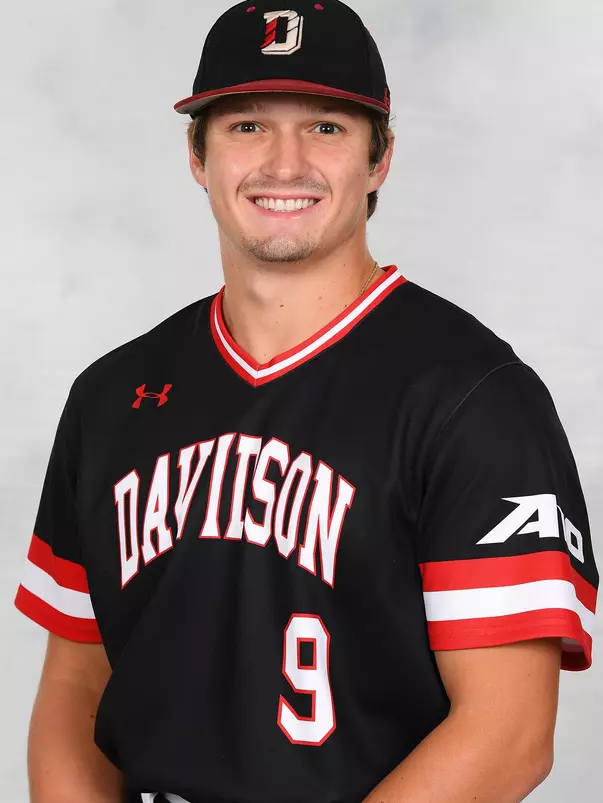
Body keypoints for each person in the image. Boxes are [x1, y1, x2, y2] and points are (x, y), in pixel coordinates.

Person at [15, 1, 599, 802]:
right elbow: (76, 683)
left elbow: (508, 732)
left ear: (380, 156)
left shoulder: (474, 397)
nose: (283, 164)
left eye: (325, 127)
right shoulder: (111, 396)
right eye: (246, 125)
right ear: (197, 154)